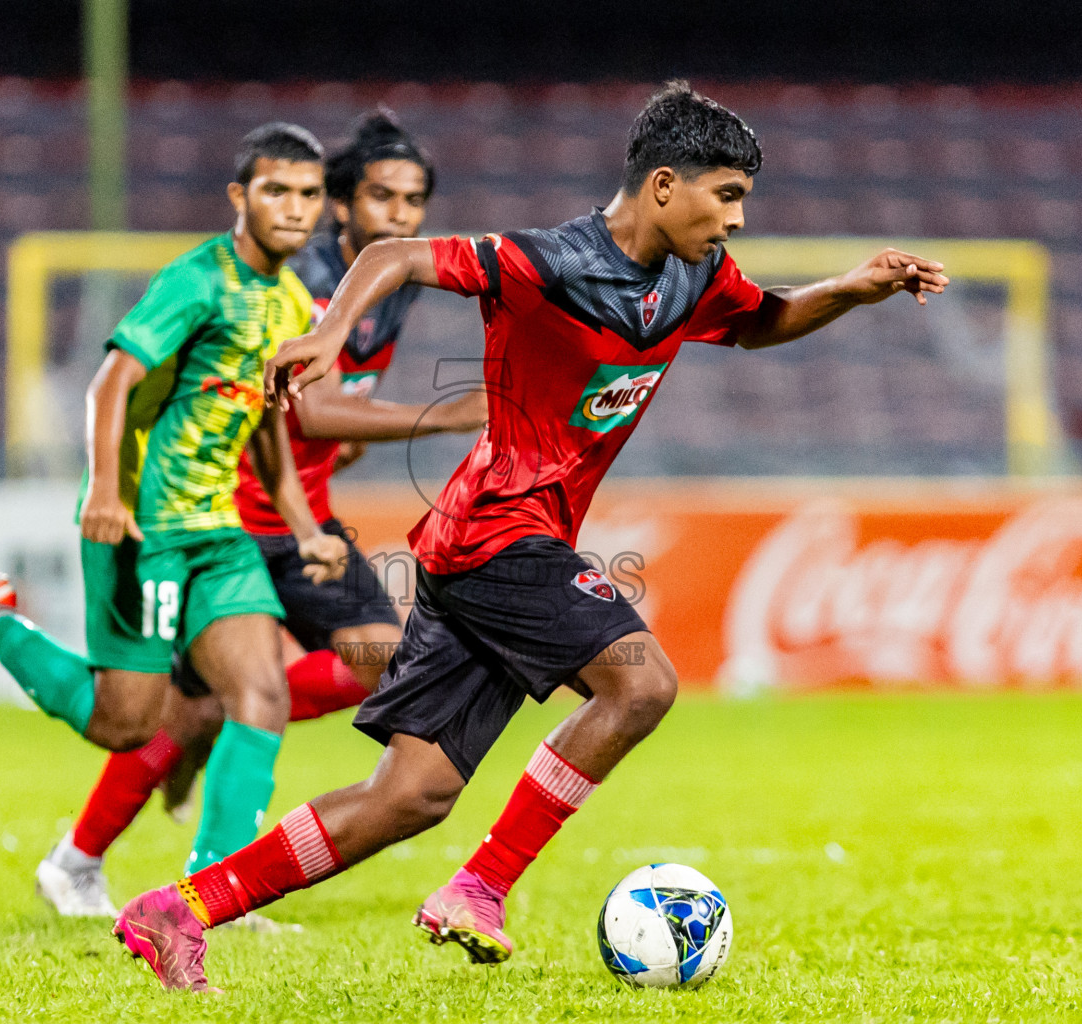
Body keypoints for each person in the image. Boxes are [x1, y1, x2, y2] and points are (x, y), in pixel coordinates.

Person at [112, 81, 949, 992]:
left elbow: (760, 323)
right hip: (496, 532)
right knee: (642, 684)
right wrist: (328, 332)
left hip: (492, 544)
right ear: (665, 186)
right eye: (729, 194)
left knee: (410, 797)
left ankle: (176, 911)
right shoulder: (547, 262)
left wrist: (852, 291)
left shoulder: (693, 276)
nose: (738, 219)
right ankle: (482, 885)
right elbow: (395, 254)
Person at [0, 122, 351, 920]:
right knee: (125, 725)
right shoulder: (196, 281)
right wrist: (106, 489)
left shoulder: (292, 304)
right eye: (277, 190)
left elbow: (267, 421)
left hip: (218, 532)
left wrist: (305, 525)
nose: (295, 207)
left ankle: (215, 893)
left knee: (260, 692)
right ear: (241, 197)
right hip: (143, 526)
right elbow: (111, 382)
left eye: (309, 193)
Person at [32, 110, 485, 916]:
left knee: (371, 660)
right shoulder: (304, 282)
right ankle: (86, 857)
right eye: (382, 197)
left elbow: (322, 412)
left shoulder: (387, 283)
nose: (401, 217)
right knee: (190, 705)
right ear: (342, 205)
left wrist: (342, 445)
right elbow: (302, 410)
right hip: (226, 517)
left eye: (414, 202)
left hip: (300, 515)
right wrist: (442, 415)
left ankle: (184, 777)